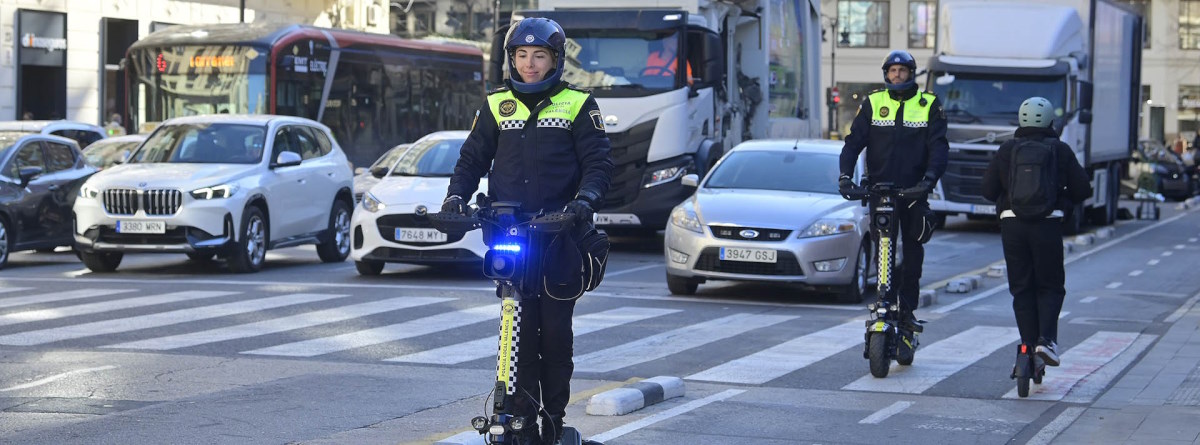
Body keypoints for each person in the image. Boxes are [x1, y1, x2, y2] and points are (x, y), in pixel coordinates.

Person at [442, 17, 613, 445]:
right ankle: (521, 426)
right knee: (517, 333)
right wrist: (455, 198)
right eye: (521, 55)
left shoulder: (578, 103)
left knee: (554, 338)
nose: (530, 65)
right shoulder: (496, 103)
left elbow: (598, 165)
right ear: (511, 59)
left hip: (559, 238)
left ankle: (552, 423)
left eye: (539, 56)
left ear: (555, 59)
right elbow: (471, 160)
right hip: (510, 232)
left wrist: (583, 204)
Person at [837, 50, 949, 359]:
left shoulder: (928, 104)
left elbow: (939, 148)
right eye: (892, 71)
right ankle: (884, 302)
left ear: (911, 73)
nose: (897, 75)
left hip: (913, 194)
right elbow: (852, 144)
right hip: (880, 193)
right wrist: (846, 177)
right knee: (882, 250)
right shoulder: (874, 103)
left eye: (902, 70)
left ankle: (907, 310)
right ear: (886, 74)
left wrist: (929, 179)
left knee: (911, 255)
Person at [981, 96, 1090, 367]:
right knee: (1050, 286)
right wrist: (1062, 199)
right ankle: (1046, 341)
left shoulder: (1007, 150)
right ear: (1051, 121)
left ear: (1021, 120)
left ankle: (1026, 345)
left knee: (1021, 288)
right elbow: (1083, 190)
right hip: (1047, 225)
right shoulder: (1060, 150)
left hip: (1012, 225)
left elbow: (987, 190)